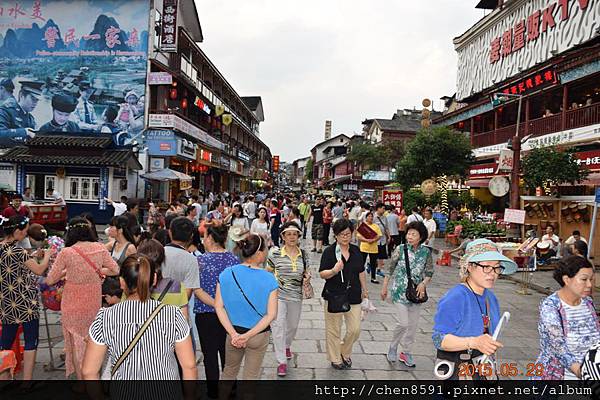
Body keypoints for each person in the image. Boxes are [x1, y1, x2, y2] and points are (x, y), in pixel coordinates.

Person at [82, 255, 196, 380]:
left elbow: (89, 371)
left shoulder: (105, 318)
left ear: (122, 282)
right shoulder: (173, 315)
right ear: (154, 279)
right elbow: (189, 366)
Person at [432, 238, 517, 379]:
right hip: (459, 373)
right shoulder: (456, 297)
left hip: (483, 370)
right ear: (469, 267)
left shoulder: (491, 298)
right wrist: (474, 342)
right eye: (486, 266)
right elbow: (439, 339)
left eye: (497, 267)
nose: (492, 273)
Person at [46, 217, 119, 379]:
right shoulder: (100, 248)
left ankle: (81, 382)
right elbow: (115, 269)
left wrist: (66, 273)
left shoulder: (67, 252)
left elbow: (50, 280)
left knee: (74, 342)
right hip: (93, 302)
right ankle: (94, 376)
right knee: (92, 340)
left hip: (71, 303)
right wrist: (99, 271)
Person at [214, 234, 278, 382]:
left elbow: (218, 306)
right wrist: (247, 336)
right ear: (260, 253)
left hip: (233, 333)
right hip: (258, 334)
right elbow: (271, 314)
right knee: (251, 377)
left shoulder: (226, 273)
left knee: (229, 372)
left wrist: (235, 335)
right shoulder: (269, 278)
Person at [0, 216, 53, 381]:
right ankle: (27, 382)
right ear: (17, 231)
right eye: (25, 230)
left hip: (6, 301)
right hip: (26, 302)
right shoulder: (18, 251)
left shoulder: (3, 248)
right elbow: (39, 270)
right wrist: (47, 255)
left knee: (5, 341)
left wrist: (34, 256)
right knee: (31, 340)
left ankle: (4, 375)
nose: (26, 233)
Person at [534, 256, 600, 380]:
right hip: (561, 378)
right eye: (584, 279)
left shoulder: (587, 302)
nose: (590, 284)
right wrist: (583, 373)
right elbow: (558, 347)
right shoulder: (551, 306)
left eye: (591, 279)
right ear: (567, 280)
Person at [194, 225, 240, 398]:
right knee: (228, 354)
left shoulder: (200, 261)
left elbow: (197, 289)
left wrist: (215, 304)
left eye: (205, 236)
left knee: (210, 355)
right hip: (229, 314)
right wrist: (221, 306)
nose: (203, 240)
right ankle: (231, 389)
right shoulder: (234, 260)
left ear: (211, 239)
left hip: (205, 314)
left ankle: (213, 391)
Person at [381, 221, 433, 367]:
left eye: (413, 234)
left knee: (413, 326)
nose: (409, 236)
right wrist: (385, 287)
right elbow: (390, 269)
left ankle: (406, 352)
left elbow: (429, 272)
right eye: (409, 233)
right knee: (403, 323)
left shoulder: (426, 252)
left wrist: (424, 283)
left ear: (421, 237)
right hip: (399, 291)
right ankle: (393, 346)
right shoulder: (400, 249)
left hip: (416, 293)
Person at [320, 219, 368, 370]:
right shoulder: (329, 252)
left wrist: (364, 290)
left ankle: (344, 351)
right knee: (333, 329)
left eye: (348, 234)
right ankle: (335, 358)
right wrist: (334, 270)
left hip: (353, 295)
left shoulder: (356, 251)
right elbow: (322, 274)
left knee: (355, 329)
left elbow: (361, 271)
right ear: (335, 235)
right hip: (334, 294)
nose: (345, 237)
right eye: (341, 234)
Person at [267, 222, 309, 377]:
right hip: (278, 296)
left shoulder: (303, 254)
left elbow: (306, 270)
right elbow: (268, 272)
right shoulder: (275, 254)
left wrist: (307, 276)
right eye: (288, 234)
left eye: (295, 234)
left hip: (296, 296)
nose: (292, 237)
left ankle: (287, 345)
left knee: (292, 326)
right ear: (283, 237)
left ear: (298, 236)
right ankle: (281, 361)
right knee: (277, 327)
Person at [164, 217, 200, 299]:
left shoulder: (159, 253)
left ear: (170, 232)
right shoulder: (191, 260)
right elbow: (188, 291)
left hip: (156, 306)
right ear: (191, 236)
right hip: (178, 307)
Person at [0, 81, 41, 147]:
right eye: (33, 99)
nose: (35, 103)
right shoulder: (6, 111)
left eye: (37, 100)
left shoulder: (31, 119)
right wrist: (24, 132)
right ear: (21, 95)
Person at [357, 212, 382, 284]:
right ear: (366, 217)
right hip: (364, 247)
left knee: (373, 264)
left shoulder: (376, 226)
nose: (371, 218)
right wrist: (367, 240)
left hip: (373, 248)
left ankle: (373, 278)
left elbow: (379, 235)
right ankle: (359, 277)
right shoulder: (363, 226)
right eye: (369, 216)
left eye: (372, 216)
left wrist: (373, 240)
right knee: (361, 263)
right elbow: (359, 236)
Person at [373, 203, 390, 277]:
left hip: (382, 239)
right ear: (378, 208)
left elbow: (386, 228)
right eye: (383, 208)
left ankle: (379, 269)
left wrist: (389, 236)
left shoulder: (384, 217)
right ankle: (372, 265)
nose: (384, 210)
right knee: (374, 255)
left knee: (381, 255)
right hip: (375, 239)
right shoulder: (372, 217)